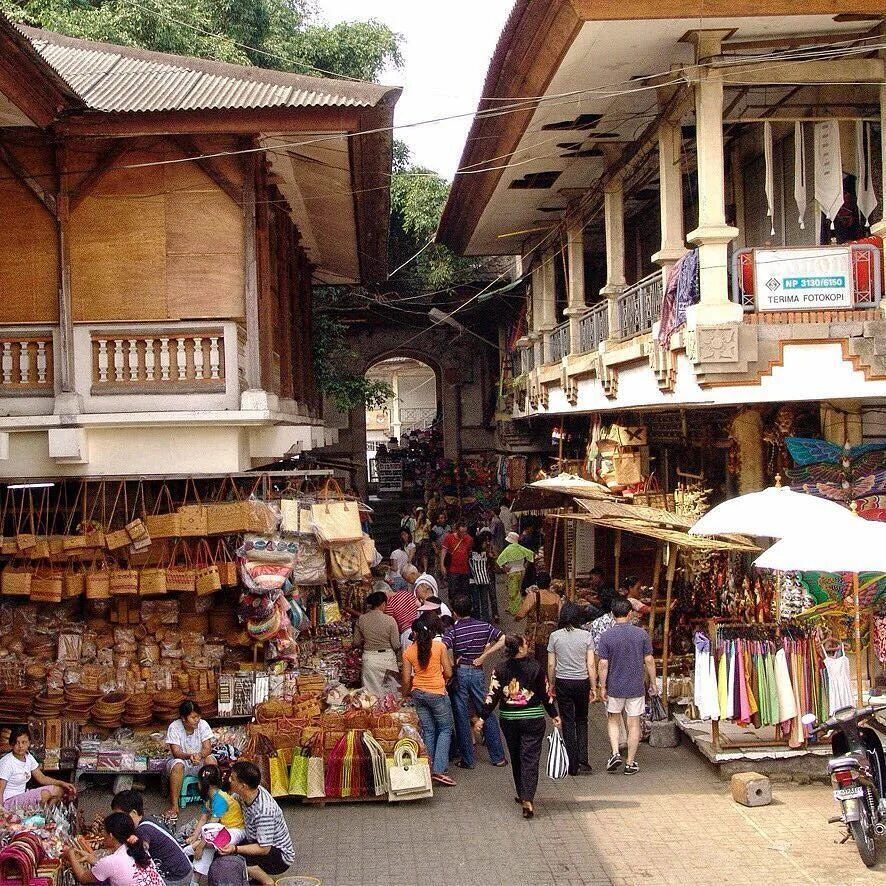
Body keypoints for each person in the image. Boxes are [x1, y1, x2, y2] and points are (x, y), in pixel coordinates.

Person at [475, 634, 560, 819]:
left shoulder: (500, 668)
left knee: (516, 755)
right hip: (533, 718)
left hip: (509, 719)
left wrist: (482, 717)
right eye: (525, 643)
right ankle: (528, 797)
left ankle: (522, 793)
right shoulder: (536, 668)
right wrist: (554, 714)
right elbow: (545, 694)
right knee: (530, 757)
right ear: (520, 648)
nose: (528, 644)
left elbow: (493, 695)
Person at [443, 594, 507, 770]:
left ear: (454, 613)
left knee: (461, 715)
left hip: (461, 673)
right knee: (485, 711)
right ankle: (498, 757)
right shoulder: (484, 626)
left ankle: (468, 760)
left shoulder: (452, 631)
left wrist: (451, 663)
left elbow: (444, 647)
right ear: (471, 609)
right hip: (477, 673)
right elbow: (503, 639)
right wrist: (485, 655)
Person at [596, 595, 658, 775]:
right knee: (634, 724)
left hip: (614, 686)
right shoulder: (641, 634)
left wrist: (602, 686)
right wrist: (653, 682)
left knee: (613, 719)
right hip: (636, 686)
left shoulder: (606, 636)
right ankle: (630, 762)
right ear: (630, 613)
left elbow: (603, 664)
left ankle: (615, 752)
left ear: (613, 614)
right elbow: (649, 660)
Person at [217, 760, 295, 886]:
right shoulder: (246, 794)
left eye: (233, 778)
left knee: (238, 858)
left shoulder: (264, 811)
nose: (229, 780)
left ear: (243, 786)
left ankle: (267, 881)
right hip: (255, 840)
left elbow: (264, 849)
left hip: (278, 856)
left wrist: (235, 848)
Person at [401, 615, 456, 786]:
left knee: (429, 730)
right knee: (445, 729)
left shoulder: (409, 652)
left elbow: (405, 680)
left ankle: (428, 766)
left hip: (418, 693)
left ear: (415, 633)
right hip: (437, 693)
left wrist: (405, 694)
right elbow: (448, 672)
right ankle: (439, 770)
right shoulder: (439, 647)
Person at [547, 603, 595, 776]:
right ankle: (584, 760)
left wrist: (551, 684)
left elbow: (552, 663)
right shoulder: (586, 636)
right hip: (582, 681)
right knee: (582, 720)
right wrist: (594, 686)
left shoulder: (554, 636)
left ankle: (571, 764)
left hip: (563, 682)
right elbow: (590, 663)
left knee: (567, 721)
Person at [111, 790, 193, 886]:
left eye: (119, 815)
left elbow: (139, 852)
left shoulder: (143, 831)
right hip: (184, 870)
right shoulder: (147, 820)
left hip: (176, 878)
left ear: (133, 813)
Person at [64, 812, 164, 885]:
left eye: (104, 831)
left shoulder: (112, 861)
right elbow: (121, 869)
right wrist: (94, 861)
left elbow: (82, 878)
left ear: (111, 836)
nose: (102, 834)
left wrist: (71, 854)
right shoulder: (137, 848)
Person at [185, 765, 246, 877]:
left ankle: (186, 853)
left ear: (203, 784)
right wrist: (195, 835)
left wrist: (199, 845)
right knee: (205, 847)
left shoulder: (220, 800)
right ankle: (195, 880)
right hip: (221, 829)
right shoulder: (210, 798)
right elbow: (203, 818)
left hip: (235, 831)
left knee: (200, 845)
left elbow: (211, 828)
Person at [164, 701, 217, 820]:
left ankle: (213, 800)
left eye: (198, 716)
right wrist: (190, 756)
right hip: (182, 761)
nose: (197, 720)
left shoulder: (203, 725)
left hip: (199, 760)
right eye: (193, 717)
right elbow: (176, 752)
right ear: (183, 718)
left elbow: (207, 748)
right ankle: (174, 806)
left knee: (211, 761)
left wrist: (199, 755)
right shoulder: (174, 727)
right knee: (178, 765)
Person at [0, 725, 75, 810]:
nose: (20, 746)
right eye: (17, 743)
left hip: (22, 795)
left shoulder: (28, 757)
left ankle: (46, 815)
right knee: (44, 794)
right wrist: (2, 811)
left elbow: (42, 778)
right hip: (9, 801)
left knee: (59, 789)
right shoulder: (7, 762)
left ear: (29, 743)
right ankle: (41, 815)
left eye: (24, 742)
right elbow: (0, 789)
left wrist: (62, 783)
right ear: (12, 744)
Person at [354, 590, 401, 697]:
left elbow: (356, 642)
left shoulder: (362, 619)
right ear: (383, 604)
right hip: (387, 658)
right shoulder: (390, 620)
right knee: (391, 694)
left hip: (370, 659)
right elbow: (396, 645)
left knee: (370, 695)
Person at [514, 572, 562, 667]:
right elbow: (561, 615)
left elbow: (521, 614)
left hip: (535, 635)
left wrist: (516, 618)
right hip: (551, 634)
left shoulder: (533, 596)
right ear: (549, 583)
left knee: (534, 661)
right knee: (548, 660)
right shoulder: (556, 597)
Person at [496, 531, 534, 614]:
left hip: (512, 571)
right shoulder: (521, 548)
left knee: (512, 591)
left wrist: (504, 567)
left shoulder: (508, 549)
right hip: (521, 570)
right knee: (518, 590)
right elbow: (531, 554)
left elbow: (499, 561)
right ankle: (515, 606)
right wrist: (526, 564)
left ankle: (515, 609)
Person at [468, 532, 497, 622]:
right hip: (477, 579)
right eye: (484, 542)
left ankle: (484, 618)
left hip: (482, 579)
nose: (486, 544)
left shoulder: (485, 553)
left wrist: (491, 556)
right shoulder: (471, 554)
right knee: (478, 601)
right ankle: (480, 618)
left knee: (483, 600)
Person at [441, 522, 472, 597]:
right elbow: (444, 551)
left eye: (465, 532)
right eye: (462, 532)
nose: (463, 534)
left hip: (464, 570)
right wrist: (442, 565)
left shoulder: (469, 539)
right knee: (453, 591)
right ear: (457, 530)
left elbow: (469, 552)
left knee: (464, 592)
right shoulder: (449, 538)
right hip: (453, 569)